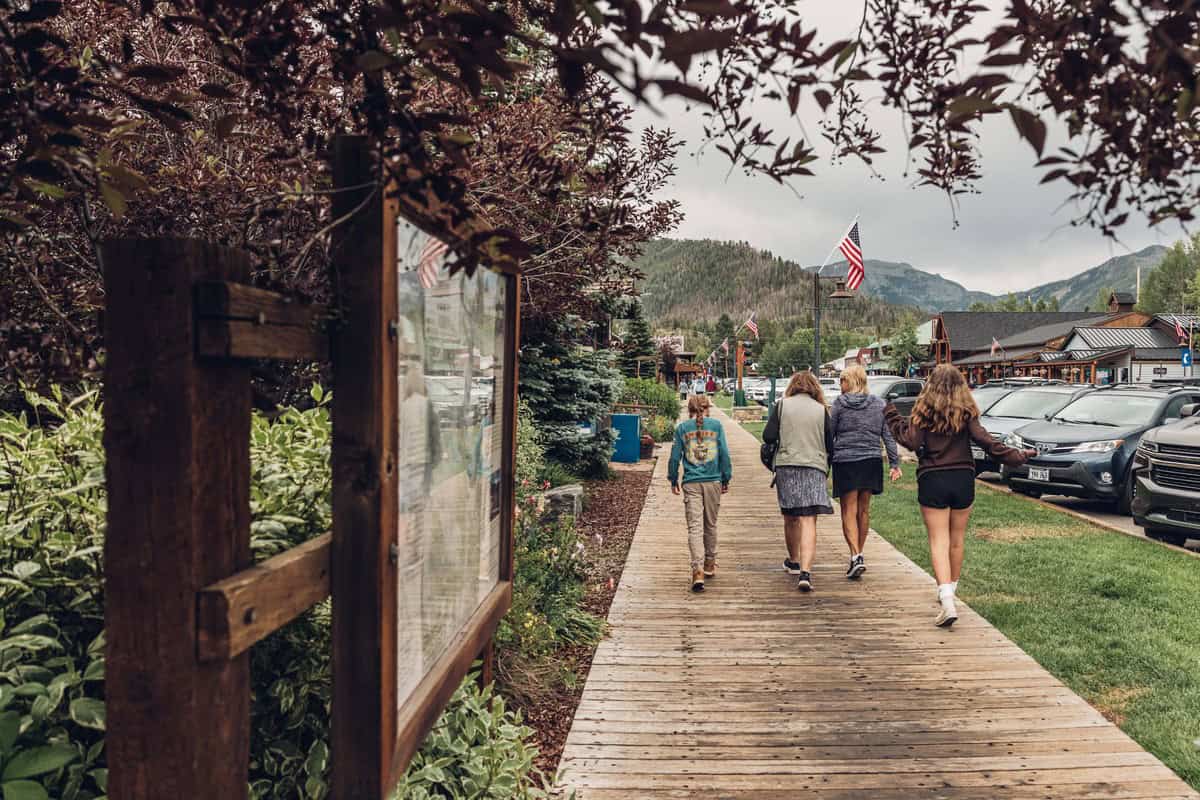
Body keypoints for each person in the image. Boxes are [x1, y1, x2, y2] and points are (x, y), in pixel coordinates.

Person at [884, 364, 1035, 627]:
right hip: (963, 478)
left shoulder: (923, 411)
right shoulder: (967, 413)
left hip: (933, 478)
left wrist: (892, 416)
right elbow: (988, 443)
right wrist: (1018, 456)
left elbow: (910, 441)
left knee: (938, 540)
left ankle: (946, 599)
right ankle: (950, 590)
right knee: (957, 539)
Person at [762, 371, 833, 592]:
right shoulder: (822, 410)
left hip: (787, 466)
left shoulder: (782, 405)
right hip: (814, 466)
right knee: (808, 520)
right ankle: (806, 571)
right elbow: (831, 444)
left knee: (791, 516)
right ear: (814, 388)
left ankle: (793, 560)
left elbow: (768, 436)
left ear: (793, 386)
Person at [829, 364, 901, 579]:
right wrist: (894, 463)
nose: (840, 385)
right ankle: (858, 555)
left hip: (846, 461)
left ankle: (855, 555)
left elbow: (829, 435)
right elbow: (887, 435)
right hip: (871, 460)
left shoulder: (839, 405)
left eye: (842, 380)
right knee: (864, 510)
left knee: (848, 510)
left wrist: (826, 458)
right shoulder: (879, 404)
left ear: (851, 381)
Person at [668, 394, 733, 592]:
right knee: (710, 524)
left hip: (691, 483)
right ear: (707, 408)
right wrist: (726, 477)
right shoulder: (716, 426)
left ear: (690, 410)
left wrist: (673, 478)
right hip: (713, 481)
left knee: (695, 527)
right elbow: (724, 454)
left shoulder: (682, 428)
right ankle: (710, 564)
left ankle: (697, 570)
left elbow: (674, 457)